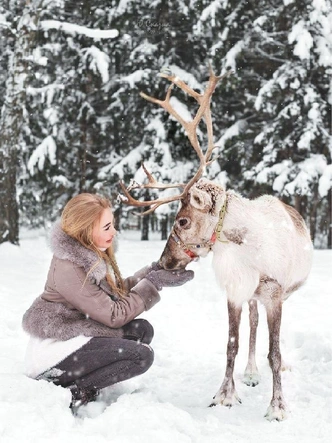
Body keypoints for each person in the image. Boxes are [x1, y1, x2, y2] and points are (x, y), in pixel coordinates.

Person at [22, 193, 194, 415]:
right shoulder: (69, 268)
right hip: (53, 352)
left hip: (76, 333)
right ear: (85, 230)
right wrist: (153, 284)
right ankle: (77, 390)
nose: (114, 232)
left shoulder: (85, 255)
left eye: (112, 224)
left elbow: (113, 293)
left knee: (141, 330)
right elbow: (114, 315)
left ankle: (87, 378)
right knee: (140, 355)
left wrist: (152, 273)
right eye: (106, 227)